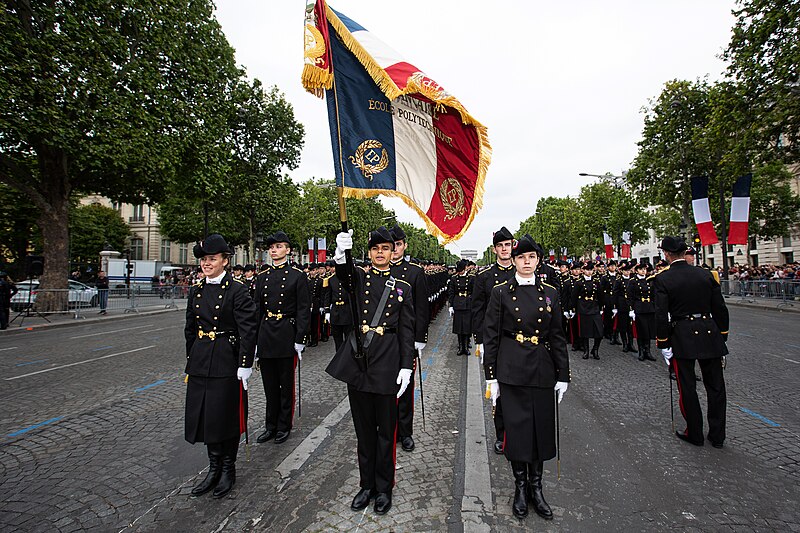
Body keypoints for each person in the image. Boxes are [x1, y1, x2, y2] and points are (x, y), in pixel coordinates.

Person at [326, 227, 415, 515]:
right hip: (360, 361)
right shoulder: (360, 279)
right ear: (369, 252)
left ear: (394, 251)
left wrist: (406, 366)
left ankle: (384, 487)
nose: (380, 252)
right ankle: (366, 485)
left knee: (386, 432)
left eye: (385, 248)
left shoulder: (403, 287)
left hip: (387, 360)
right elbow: (345, 275)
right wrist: (342, 254)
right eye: (375, 248)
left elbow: (405, 330)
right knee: (363, 431)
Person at [483, 234, 569, 520]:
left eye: (531, 257)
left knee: (540, 430)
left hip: (542, 368)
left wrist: (563, 375)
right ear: (514, 261)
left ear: (538, 260)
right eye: (521, 257)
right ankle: (520, 487)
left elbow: (557, 336)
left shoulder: (551, 293)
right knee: (518, 432)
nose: (526, 262)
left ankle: (536, 487)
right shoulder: (501, 292)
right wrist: (491, 377)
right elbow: (492, 336)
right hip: (512, 368)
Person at [184, 234, 257, 498]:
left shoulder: (237, 289)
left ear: (225, 261)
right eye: (204, 259)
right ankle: (213, 468)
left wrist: (245, 364)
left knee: (225, 418)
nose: (206, 264)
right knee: (205, 418)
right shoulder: (197, 290)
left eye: (212, 259)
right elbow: (190, 329)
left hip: (227, 360)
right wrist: (191, 359)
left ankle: (228, 469)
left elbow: (248, 329)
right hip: (202, 361)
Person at [655, 236, 729, 448]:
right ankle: (717, 435)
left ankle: (694, 432)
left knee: (687, 386)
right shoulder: (706, 275)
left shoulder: (663, 279)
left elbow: (661, 315)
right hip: (709, 332)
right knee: (716, 387)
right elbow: (720, 309)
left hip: (683, 334)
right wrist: (722, 335)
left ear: (667, 254)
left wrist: (663, 343)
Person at [254, 231, 310, 445]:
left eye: (278, 246)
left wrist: (300, 338)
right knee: (269, 386)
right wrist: (256, 341)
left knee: (285, 385)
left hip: (287, 332)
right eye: (271, 247)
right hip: (267, 333)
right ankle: (271, 425)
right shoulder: (262, 277)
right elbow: (257, 311)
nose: (274, 250)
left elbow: (303, 309)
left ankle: (284, 425)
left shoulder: (297, 276)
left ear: (288, 250)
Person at [472, 226, 516, 454]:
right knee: (499, 390)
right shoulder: (485, 277)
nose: (504, 249)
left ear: (513, 245)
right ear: (494, 249)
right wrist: (480, 340)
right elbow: (478, 310)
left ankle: (518, 432)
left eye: (507, 245)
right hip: (496, 341)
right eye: (500, 246)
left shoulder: (524, 274)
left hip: (519, 341)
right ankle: (502, 434)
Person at [389, 224, 430, 453]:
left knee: (405, 387)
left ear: (404, 246)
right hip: (385, 339)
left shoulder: (415, 272)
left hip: (406, 339)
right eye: (390, 245)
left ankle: (405, 432)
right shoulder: (378, 270)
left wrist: (419, 338)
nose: (394, 249)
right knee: (386, 386)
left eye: (398, 244)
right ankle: (389, 429)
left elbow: (422, 308)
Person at [570, 261, 604, 360]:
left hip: (594, 307)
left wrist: (601, 307)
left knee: (599, 332)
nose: (589, 272)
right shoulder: (579, 283)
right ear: (583, 271)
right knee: (585, 332)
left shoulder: (596, 281)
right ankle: (586, 351)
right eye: (587, 270)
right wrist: (573, 309)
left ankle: (595, 349)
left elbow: (600, 295)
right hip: (583, 308)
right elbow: (574, 297)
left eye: (591, 270)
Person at [628, 262, 657, 361]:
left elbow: (653, 294)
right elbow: (630, 296)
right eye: (641, 269)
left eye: (644, 269)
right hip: (639, 308)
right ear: (636, 271)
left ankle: (648, 351)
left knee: (648, 330)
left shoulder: (650, 280)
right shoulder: (633, 281)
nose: (643, 271)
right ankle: (641, 351)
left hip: (649, 308)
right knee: (641, 330)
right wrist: (631, 309)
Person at [448, 259, 473, 355]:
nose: (460, 272)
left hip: (467, 303)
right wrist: (451, 305)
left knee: (466, 327)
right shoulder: (454, 278)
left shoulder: (471, 278)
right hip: (458, 303)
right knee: (459, 327)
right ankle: (461, 346)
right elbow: (451, 292)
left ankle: (466, 347)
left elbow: (474, 291)